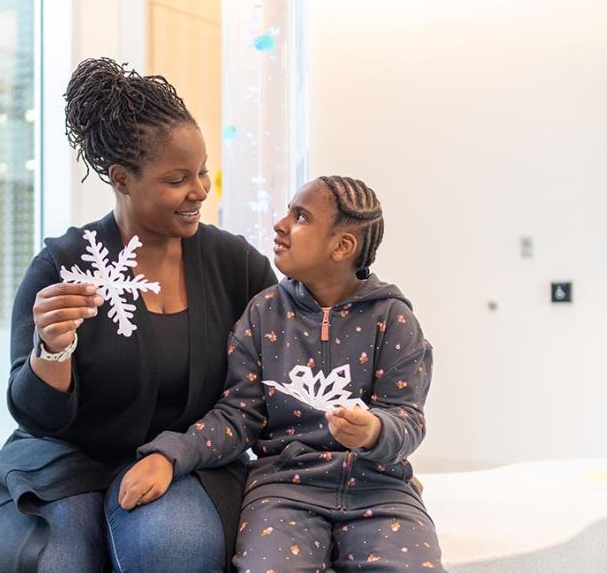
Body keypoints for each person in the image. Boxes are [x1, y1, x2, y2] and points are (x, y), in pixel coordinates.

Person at [0, 57, 277, 572]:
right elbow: (35, 416)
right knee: (58, 559)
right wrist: (51, 349)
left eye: (202, 171)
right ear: (121, 178)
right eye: (177, 179)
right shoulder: (62, 267)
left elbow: (284, 379)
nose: (200, 190)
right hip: (68, 459)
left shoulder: (238, 266)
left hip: (190, 460)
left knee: (170, 545)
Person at [127, 176, 445, 571]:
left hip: (380, 490)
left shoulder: (394, 319)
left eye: (301, 217)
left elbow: (407, 419)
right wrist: (173, 455)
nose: (280, 224)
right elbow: (237, 416)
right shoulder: (262, 314)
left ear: (342, 246)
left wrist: (374, 431)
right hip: (284, 491)